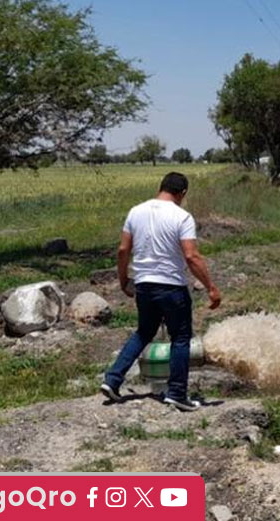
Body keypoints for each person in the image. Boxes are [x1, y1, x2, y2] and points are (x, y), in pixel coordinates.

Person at [101, 172, 222, 411]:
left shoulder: (135, 212)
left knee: (144, 332)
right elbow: (191, 255)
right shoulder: (182, 216)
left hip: (144, 285)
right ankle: (177, 393)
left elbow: (123, 250)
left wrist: (124, 280)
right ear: (183, 193)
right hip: (171, 286)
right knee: (180, 338)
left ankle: (112, 380)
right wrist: (211, 287)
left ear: (161, 187)